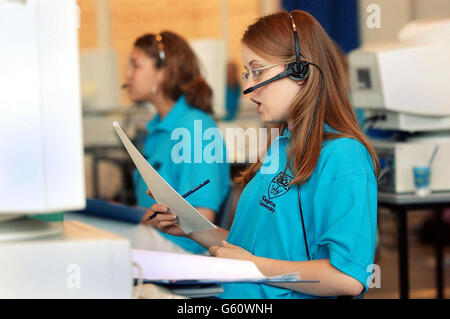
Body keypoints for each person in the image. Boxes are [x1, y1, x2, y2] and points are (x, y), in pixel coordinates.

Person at [146, 10, 380, 299]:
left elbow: (347, 278)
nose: (247, 87)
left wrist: (254, 267)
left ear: (300, 71)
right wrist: (191, 226)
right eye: (247, 73)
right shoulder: (280, 147)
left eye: (257, 71)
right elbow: (249, 248)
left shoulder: (344, 156)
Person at [125, 31, 231, 254]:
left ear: (163, 72)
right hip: (157, 240)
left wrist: (133, 218)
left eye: (135, 65)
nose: (127, 75)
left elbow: (201, 217)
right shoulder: (157, 129)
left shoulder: (195, 129)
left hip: (183, 249)